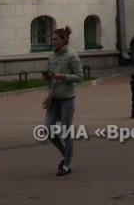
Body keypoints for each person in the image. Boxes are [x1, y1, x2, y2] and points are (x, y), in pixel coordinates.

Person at [44, 25, 84, 176]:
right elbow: (51, 75)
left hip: (67, 99)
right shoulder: (51, 56)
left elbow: (80, 77)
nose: (52, 42)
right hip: (53, 98)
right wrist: (48, 77)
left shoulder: (72, 55)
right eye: (52, 39)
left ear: (64, 40)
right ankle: (65, 153)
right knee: (48, 129)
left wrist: (62, 77)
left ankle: (67, 164)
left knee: (66, 132)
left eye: (55, 39)